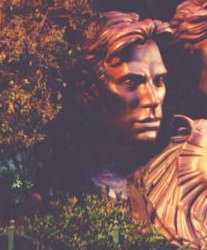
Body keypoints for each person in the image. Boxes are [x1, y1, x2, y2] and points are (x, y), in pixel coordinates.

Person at [41, 12, 170, 200]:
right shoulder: (64, 186)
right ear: (91, 89)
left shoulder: (163, 178)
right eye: (131, 83)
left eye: (158, 81)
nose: (152, 99)